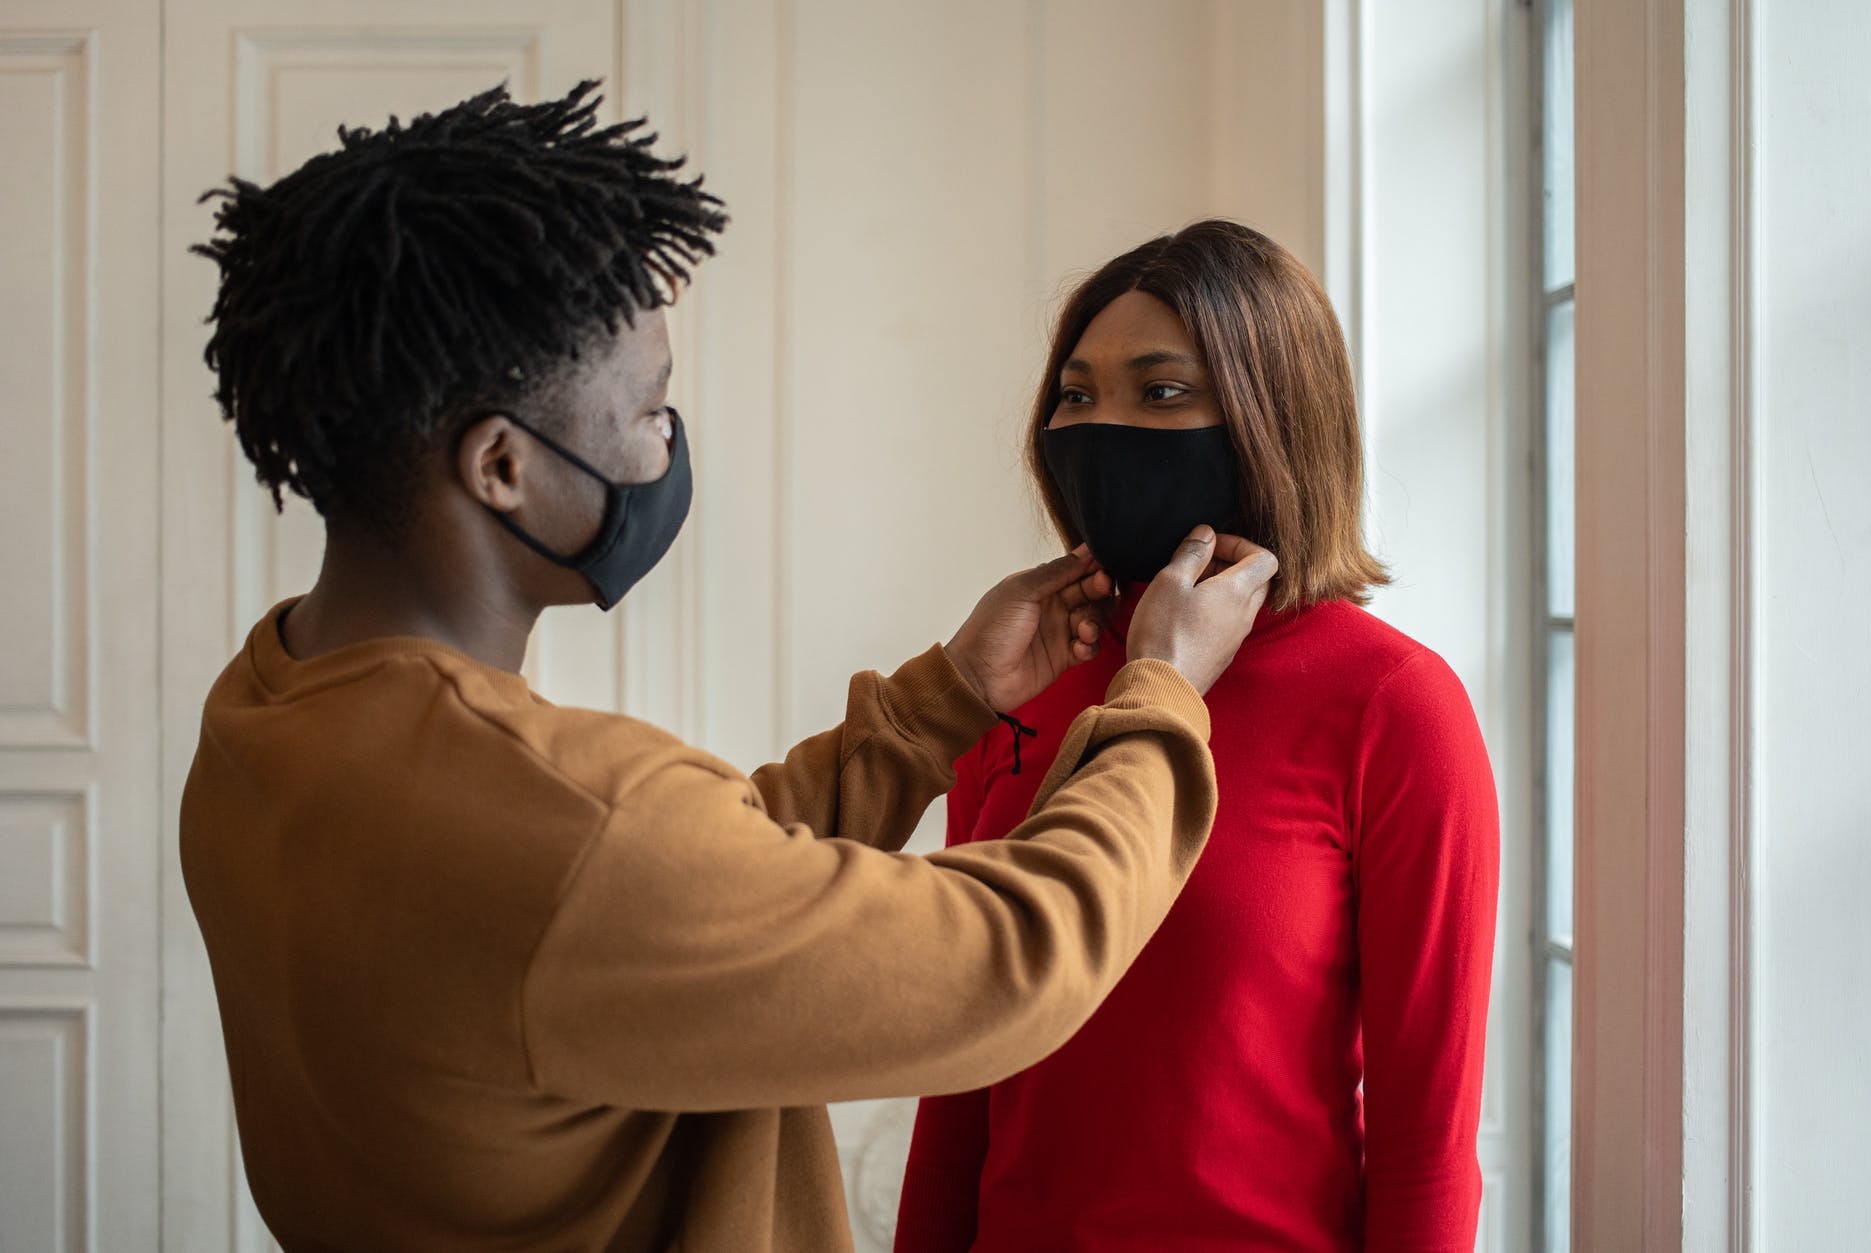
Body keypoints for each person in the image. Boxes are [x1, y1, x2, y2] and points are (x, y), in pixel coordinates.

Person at [179, 84, 1280, 1253]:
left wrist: (937, 703)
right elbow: (1012, 957)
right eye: (649, 409)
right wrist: (1156, 690)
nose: (667, 443)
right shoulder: (571, 830)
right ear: (500, 464)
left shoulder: (265, 708)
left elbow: (682, 891)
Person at [896, 221, 1500, 1253]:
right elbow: (963, 1074)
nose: (1100, 425)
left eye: (1159, 391)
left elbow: (1425, 1143)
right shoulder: (1027, 675)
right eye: (1075, 394)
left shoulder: (1393, 706)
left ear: (1272, 415)